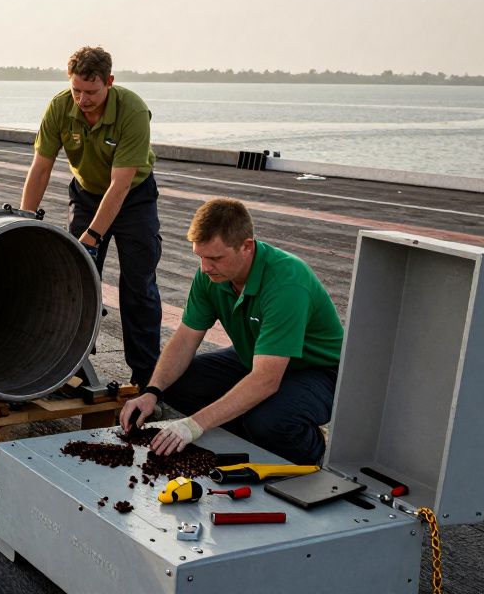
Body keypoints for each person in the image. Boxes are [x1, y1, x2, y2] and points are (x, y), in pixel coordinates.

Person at [119, 198, 343, 465]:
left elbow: (267, 380)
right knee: (172, 383)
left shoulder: (287, 282)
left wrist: (194, 425)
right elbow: (184, 340)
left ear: (246, 246)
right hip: (255, 356)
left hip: (318, 370)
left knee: (269, 422)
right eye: (200, 256)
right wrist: (151, 391)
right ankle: (246, 435)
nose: (204, 268)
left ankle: (311, 453)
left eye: (215, 258)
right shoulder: (211, 274)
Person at [20, 46, 162, 388]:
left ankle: (146, 378)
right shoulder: (59, 107)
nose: (82, 99)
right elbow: (40, 169)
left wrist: (93, 237)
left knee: (138, 286)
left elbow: (121, 183)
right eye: (76, 90)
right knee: (78, 282)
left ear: (109, 82)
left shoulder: (133, 111)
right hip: (85, 194)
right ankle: (75, 365)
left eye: (91, 92)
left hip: (133, 199)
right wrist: (23, 220)